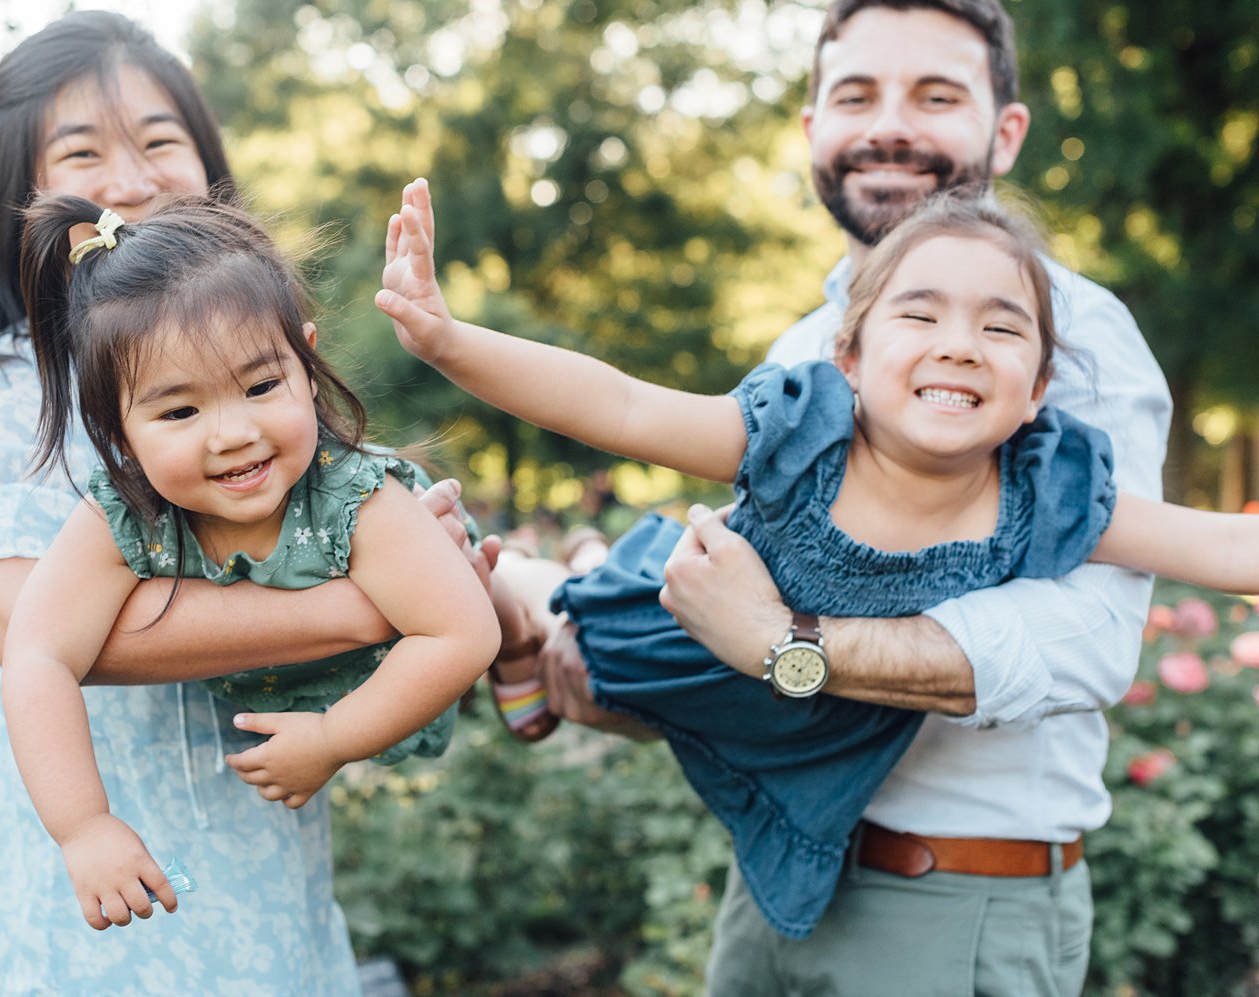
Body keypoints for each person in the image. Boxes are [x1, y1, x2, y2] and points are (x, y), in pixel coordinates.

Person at [378, 179, 1254, 939]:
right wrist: (449, 338)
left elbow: (1219, 543)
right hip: (673, 628)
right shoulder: (802, 433)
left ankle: (558, 585)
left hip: (799, 714)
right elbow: (623, 405)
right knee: (569, 607)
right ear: (850, 355)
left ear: (1035, 392)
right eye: (920, 313)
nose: (959, 342)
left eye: (1001, 326)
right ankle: (521, 612)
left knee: (590, 631)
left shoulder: (1043, 495)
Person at [0, 12, 482, 997]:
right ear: (21, 193)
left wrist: (426, 582)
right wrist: (356, 607)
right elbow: (23, 621)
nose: (129, 178)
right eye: (82, 151)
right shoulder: (6, 383)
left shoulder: (268, 395)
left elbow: (413, 578)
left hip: (263, 865)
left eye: (160, 139)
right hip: (105, 873)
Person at [643, 1, 1169, 997]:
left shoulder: (1070, 342)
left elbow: (1085, 638)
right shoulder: (803, 348)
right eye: (856, 95)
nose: (889, 125)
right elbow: (738, 613)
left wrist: (786, 643)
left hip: (952, 896)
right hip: (778, 874)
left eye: (935, 96)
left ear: (1003, 132)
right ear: (812, 132)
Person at [6, 193, 497, 930]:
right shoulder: (125, 512)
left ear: (306, 359)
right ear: (115, 426)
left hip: (426, 627)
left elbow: (464, 633)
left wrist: (333, 739)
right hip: (339, 671)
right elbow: (36, 653)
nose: (234, 433)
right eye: (180, 411)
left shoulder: (354, 494)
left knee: (499, 578)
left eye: (262, 386)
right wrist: (84, 826)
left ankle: (539, 645)